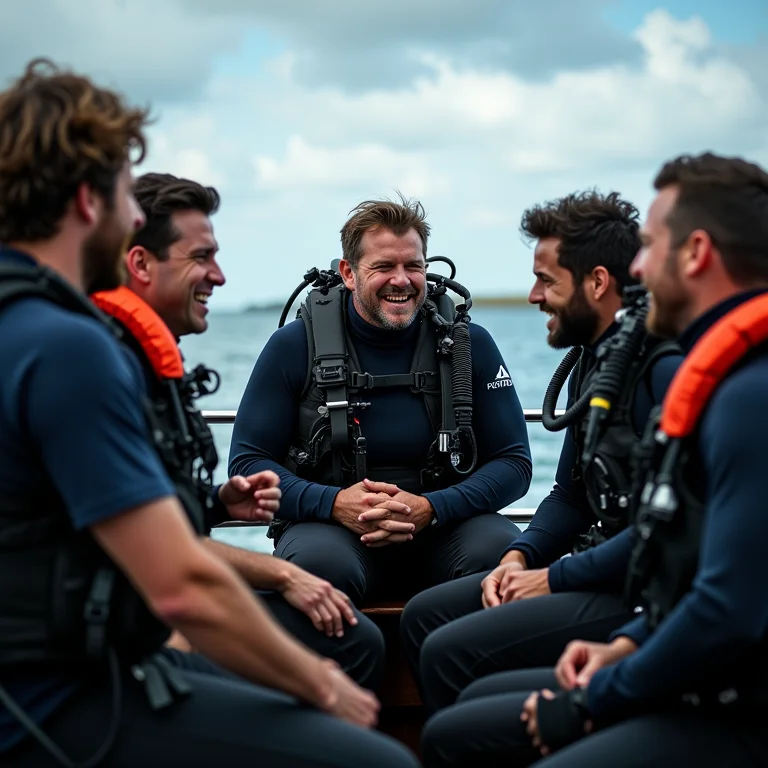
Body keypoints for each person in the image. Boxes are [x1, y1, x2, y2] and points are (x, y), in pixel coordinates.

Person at [0, 58, 418, 768]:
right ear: (85, 199)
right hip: (54, 700)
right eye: (126, 194)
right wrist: (316, 684)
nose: (133, 214)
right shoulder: (68, 347)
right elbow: (182, 586)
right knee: (376, 759)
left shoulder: (25, 324)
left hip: (60, 672)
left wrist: (210, 502)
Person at [420, 151, 768, 767]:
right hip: (664, 631)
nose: (637, 266)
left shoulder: (738, 392)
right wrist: (526, 554)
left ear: (695, 253)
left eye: (650, 246)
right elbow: (657, 537)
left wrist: (593, 695)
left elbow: (725, 605)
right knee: (464, 687)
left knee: (461, 718)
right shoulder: (664, 371)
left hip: (727, 698)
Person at [95, 170, 384, 688]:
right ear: (139, 263)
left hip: (147, 610)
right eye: (201, 257)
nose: (221, 276)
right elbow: (164, 555)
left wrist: (215, 505)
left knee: (355, 640)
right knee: (350, 659)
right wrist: (286, 576)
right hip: (115, 652)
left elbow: (135, 506)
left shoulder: (137, 359)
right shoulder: (100, 367)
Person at [400, 190, 683, 712]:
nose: (533, 296)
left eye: (546, 280)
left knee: (448, 650)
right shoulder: (597, 364)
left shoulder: (660, 373)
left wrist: (550, 578)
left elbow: (666, 535)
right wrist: (520, 555)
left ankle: (490, 729)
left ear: (597, 283)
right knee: (424, 615)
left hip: (638, 592)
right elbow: (570, 495)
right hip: (594, 567)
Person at [228, 195, 532, 605]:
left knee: (502, 557)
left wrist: (431, 507)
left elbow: (514, 463)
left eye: (414, 266)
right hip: (329, 527)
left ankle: (464, 665)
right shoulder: (293, 346)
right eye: (384, 266)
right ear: (349, 273)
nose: (402, 280)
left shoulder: (468, 345)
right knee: (319, 568)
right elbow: (247, 464)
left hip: (445, 524)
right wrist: (334, 503)